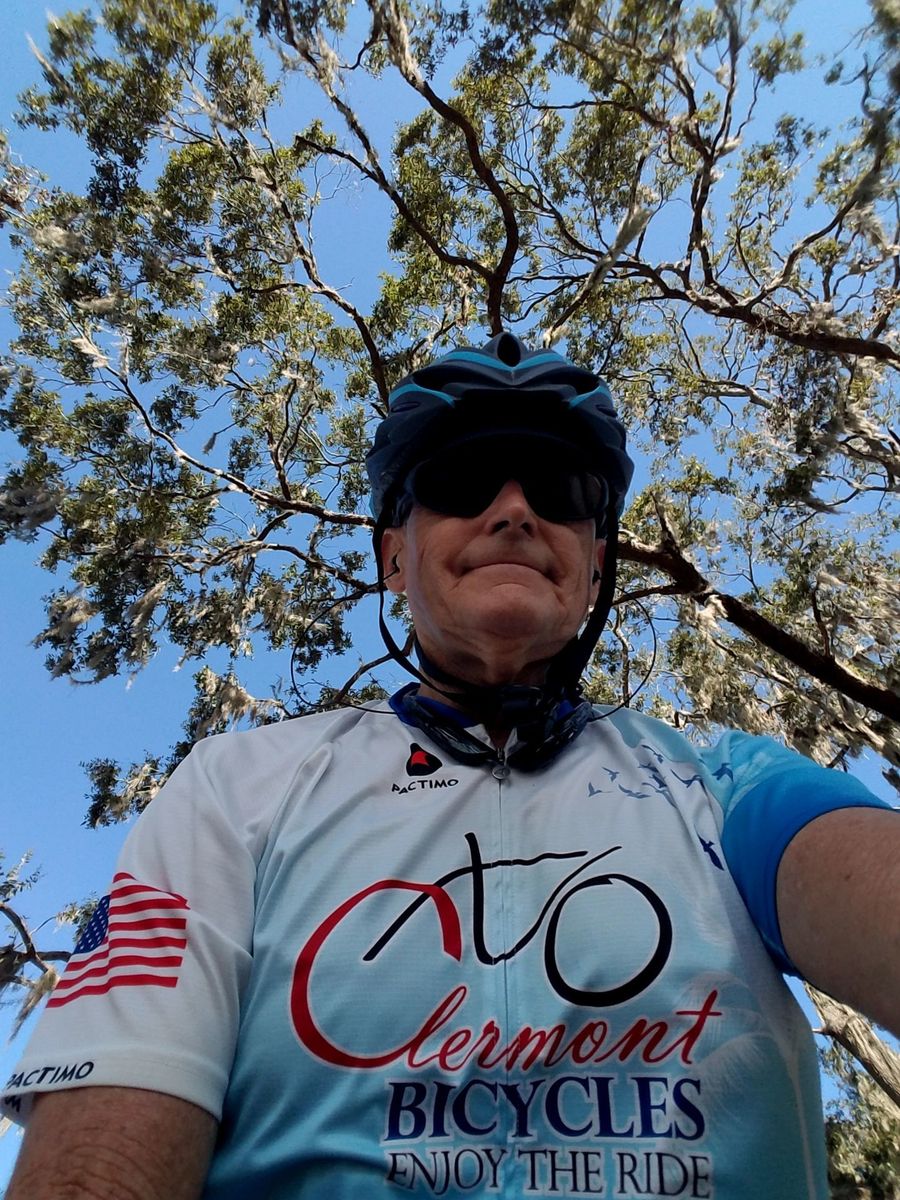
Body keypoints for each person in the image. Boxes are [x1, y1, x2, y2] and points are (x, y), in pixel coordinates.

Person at [3, 332, 898, 1200]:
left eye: (559, 489)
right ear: (393, 555)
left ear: (594, 567)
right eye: (462, 481)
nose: (513, 511)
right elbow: (102, 1155)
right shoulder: (235, 788)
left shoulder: (724, 780)